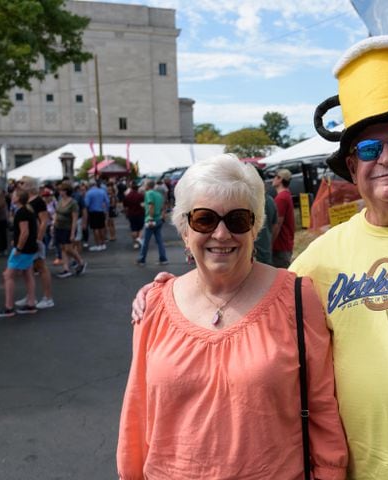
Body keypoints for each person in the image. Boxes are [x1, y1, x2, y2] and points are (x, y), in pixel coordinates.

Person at [132, 35, 388, 480]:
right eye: (369, 150)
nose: (387, 158)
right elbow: (250, 298)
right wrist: (173, 292)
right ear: (353, 168)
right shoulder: (321, 257)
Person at [117, 154, 348, 479]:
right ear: (184, 230)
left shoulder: (297, 297)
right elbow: (137, 410)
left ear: (255, 228)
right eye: (204, 220)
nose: (222, 234)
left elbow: (323, 406)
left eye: (237, 220)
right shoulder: (154, 305)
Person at [0, 190, 39, 317]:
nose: (12, 197)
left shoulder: (22, 212)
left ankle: (9, 307)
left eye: (14, 195)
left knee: (8, 275)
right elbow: (27, 231)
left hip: (23, 250)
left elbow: (25, 232)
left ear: (18, 198)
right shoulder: (27, 210)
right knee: (28, 274)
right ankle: (30, 304)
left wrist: (18, 247)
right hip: (29, 248)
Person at [14, 177, 54, 310]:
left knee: (41, 266)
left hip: (34, 239)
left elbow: (44, 221)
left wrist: (39, 238)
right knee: (28, 268)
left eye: (22, 183)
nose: (19, 185)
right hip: (28, 239)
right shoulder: (27, 201)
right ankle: (31, 296)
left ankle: (48, 298)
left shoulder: (38, 201)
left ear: (30, 186)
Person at [53, 181, 87, 278]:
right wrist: (54, 224)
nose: (60, 192)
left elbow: (74, 219)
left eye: (62, 190)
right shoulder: (60, 201)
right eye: (60, 190)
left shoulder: (73, 203)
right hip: (59, 227)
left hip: (68, 228)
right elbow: (57, 213)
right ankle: (66, 268)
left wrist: (72, 233)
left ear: (66, 191)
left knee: (68, 248)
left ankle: (80, 261)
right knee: (63, 248)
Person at [135, 179, 168, 266]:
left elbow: (151, 205)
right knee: (159, 241)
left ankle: (142, 259)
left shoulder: (149, 193)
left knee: (145, 241)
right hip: (158, 219)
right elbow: (162, 206)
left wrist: (150, 218)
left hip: (151, 219)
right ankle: (163, 258)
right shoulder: (158, 194)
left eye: (144, 184)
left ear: (147, 186)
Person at [271, 168, 295, 267]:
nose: (273, 179)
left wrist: (269, 242)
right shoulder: (286, 195)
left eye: (275, 177)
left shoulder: (281, 198)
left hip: (280, 246)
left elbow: (277, 224)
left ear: (280, 179)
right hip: (285, 244)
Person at [254, 172, 278, 265]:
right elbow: (275, 225)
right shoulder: (269, 200)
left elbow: (275, 225)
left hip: (259, 254)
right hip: (265, 250)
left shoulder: (252, 202)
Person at [84, 179, 110, 251]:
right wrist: (106, 210)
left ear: (90, 185)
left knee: (95, 229)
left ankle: (98, 244)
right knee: (101, 227)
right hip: (101, 211)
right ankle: (103, 244)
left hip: (93, 212)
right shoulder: (102, 191)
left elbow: (86, 204)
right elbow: (107, 201)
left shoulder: (88, 193)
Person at [122, 180, 145, 250]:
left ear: (131, 188)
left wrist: (126, 214)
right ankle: (139, 239)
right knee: (140, 228)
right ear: (137, 188)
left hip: (131, 214)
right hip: (140, 213)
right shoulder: (141, 196)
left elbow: (125, 207)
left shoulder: (127, 196)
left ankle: (135, 243)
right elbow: (143, 205)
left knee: (133, 228)